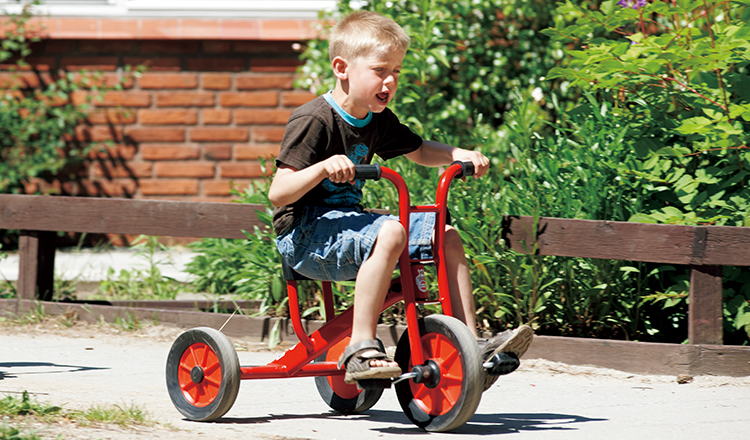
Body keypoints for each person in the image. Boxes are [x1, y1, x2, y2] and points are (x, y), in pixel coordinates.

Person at [268, 10, 533, 389]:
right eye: (379, 70)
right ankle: (360, 347)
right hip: (304, 236)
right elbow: (278, 192)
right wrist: (325, 167)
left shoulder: (377, 119)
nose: (390, 80)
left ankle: (470, 344)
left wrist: (458, 153)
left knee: (446, 233)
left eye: (396, 71)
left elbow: (419, 149)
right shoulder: (314, 119)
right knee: (391, 232)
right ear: (341, 67)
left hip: (346, 226)